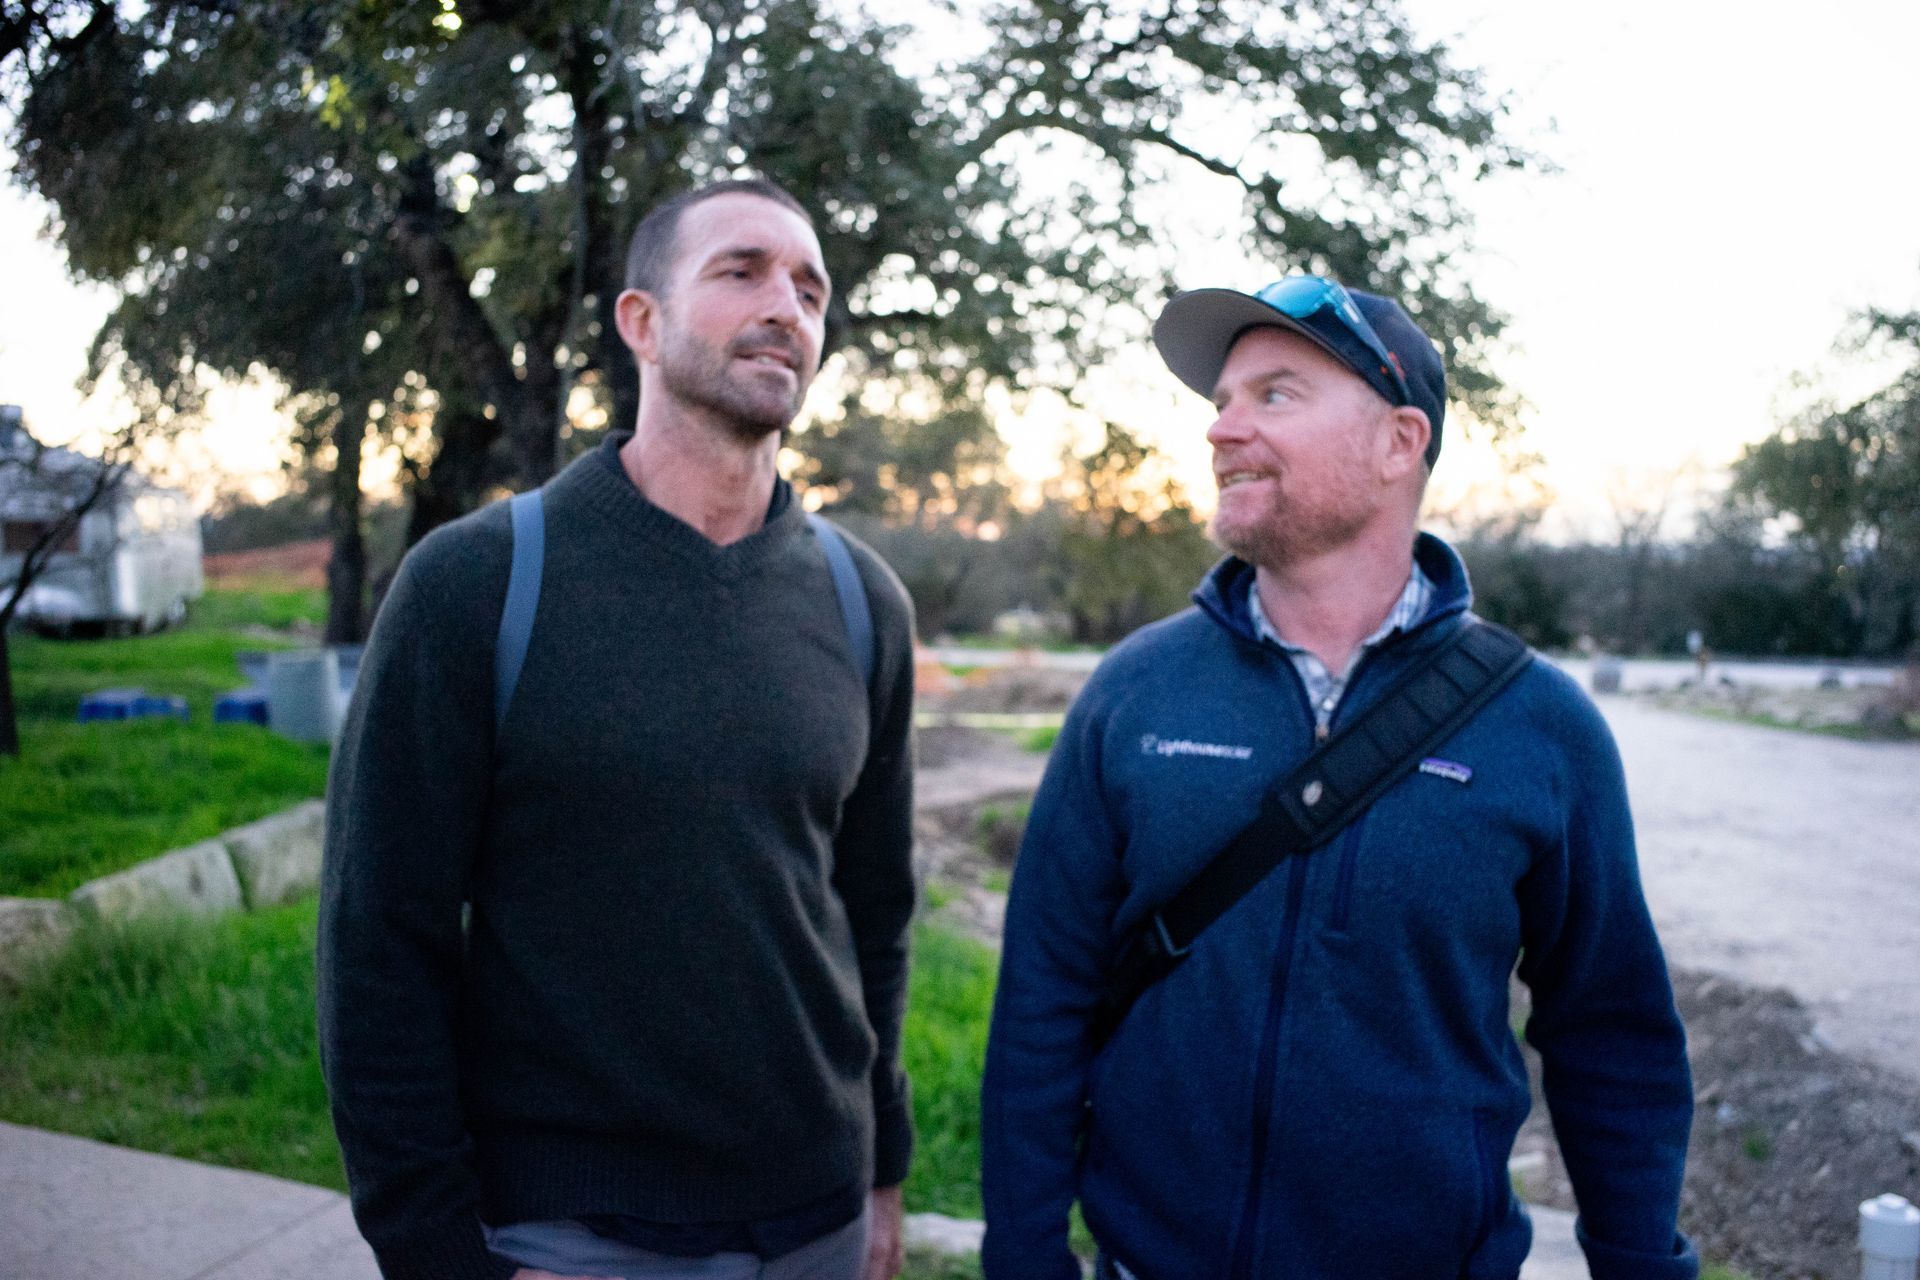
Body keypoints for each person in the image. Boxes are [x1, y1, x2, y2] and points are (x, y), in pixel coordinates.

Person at [980, 275, 1697, 1280]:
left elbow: (1613, 1039)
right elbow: (1042, 1003)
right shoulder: (1133, 694)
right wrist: (1022, 1255)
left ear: (1400, 441)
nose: (1223, 429)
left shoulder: (1543, 728)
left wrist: (1641, 1263)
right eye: (1222, 400)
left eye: (1274, 394)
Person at [318, 177, 917, 1280]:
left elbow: (873, 910)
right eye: (741, 270)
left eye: (810, 286)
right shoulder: (476, 582)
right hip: (572, 1235)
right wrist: (440, 1252)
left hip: (820, 1220)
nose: (785, 302)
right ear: (641, 321)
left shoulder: (861, 598)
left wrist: (882, 1167)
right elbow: (378, 941)